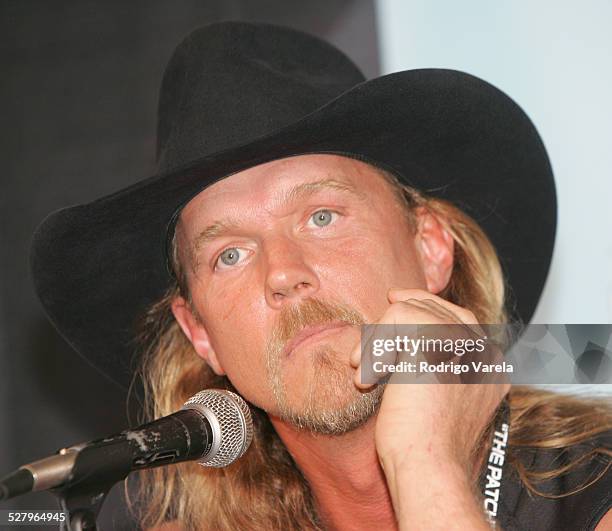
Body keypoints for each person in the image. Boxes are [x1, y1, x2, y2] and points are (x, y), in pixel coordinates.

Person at [30, 22, 611, 530]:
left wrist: (425, 464)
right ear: (199, 333)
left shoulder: (594, 486)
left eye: (321, 216)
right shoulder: (174, 525)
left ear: (432, 247)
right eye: (230, 254)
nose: (282, 273)